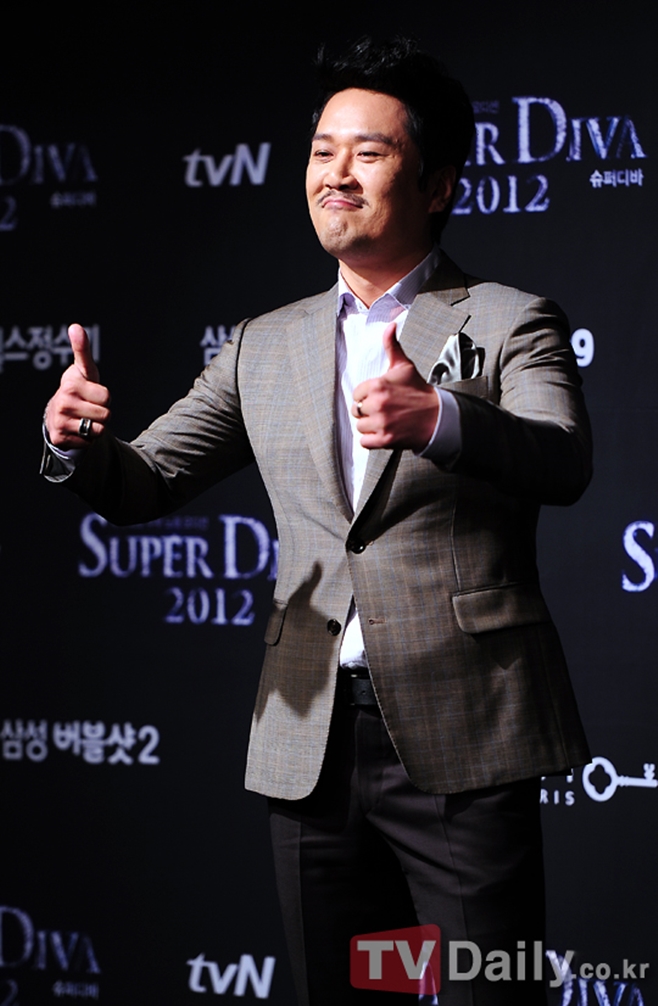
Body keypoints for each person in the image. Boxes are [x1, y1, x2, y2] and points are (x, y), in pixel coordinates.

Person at [42, 37, 591, 1006]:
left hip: (465, 737)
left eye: (368, 153)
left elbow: (562, 457)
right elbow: (147, 480)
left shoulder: (509, 319)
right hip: (312, 745)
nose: (335, 173)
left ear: (437, 186)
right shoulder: (264, 343)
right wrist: (78, 443)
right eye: (321, 151)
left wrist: (441, 418)